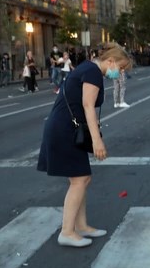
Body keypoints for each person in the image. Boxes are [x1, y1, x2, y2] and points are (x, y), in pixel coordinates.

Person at [37, 43, 133, 248]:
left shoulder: (88, 68)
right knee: (79, 180)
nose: (121, 72)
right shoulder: (93, 72)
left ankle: (80, 226)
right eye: (121, 68)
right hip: (64, 129)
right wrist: (97, 140)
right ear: (111, 61)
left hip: (65, 127)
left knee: (82, 178)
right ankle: (67, 232)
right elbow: (88, 105)